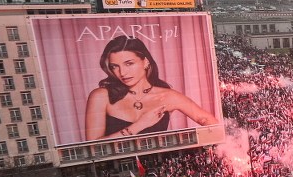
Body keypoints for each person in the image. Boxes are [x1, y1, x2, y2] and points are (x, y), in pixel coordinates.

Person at [84, 36, 217, 140]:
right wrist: (139, 126)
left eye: (129, 64)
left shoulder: (168, 96)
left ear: (146, 62)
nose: (122, 73)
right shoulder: (101, 96)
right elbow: (93, 149)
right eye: (115, 66)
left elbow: (210, 122)